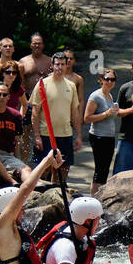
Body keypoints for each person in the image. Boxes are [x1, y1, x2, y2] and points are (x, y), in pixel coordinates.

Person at [29, 51, 82, 181]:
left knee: (63, 171)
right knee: (44, 172)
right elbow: (35, 112)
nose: (60, 67)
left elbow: (74, 112)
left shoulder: (71, 86)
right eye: (57, 64)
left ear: (66, 65)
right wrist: (36, 136)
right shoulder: (42, 84)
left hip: (65, 134)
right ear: (52, 65)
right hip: (46, 135)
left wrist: (79, 135)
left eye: (62, 64)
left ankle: (58, 195)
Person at [84, 70, 128, 193]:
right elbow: (87, 118)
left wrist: (130, 110)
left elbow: (116, 114)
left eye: (112, 80)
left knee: (104, 170)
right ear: (101, 80)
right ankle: (95, 199)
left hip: (108, 137)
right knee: (100, 170)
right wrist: (106, 113)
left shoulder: (109, 96)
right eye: (107, 79)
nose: (109, 82)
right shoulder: (95, 96)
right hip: (98, 136)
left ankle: (98, 199)